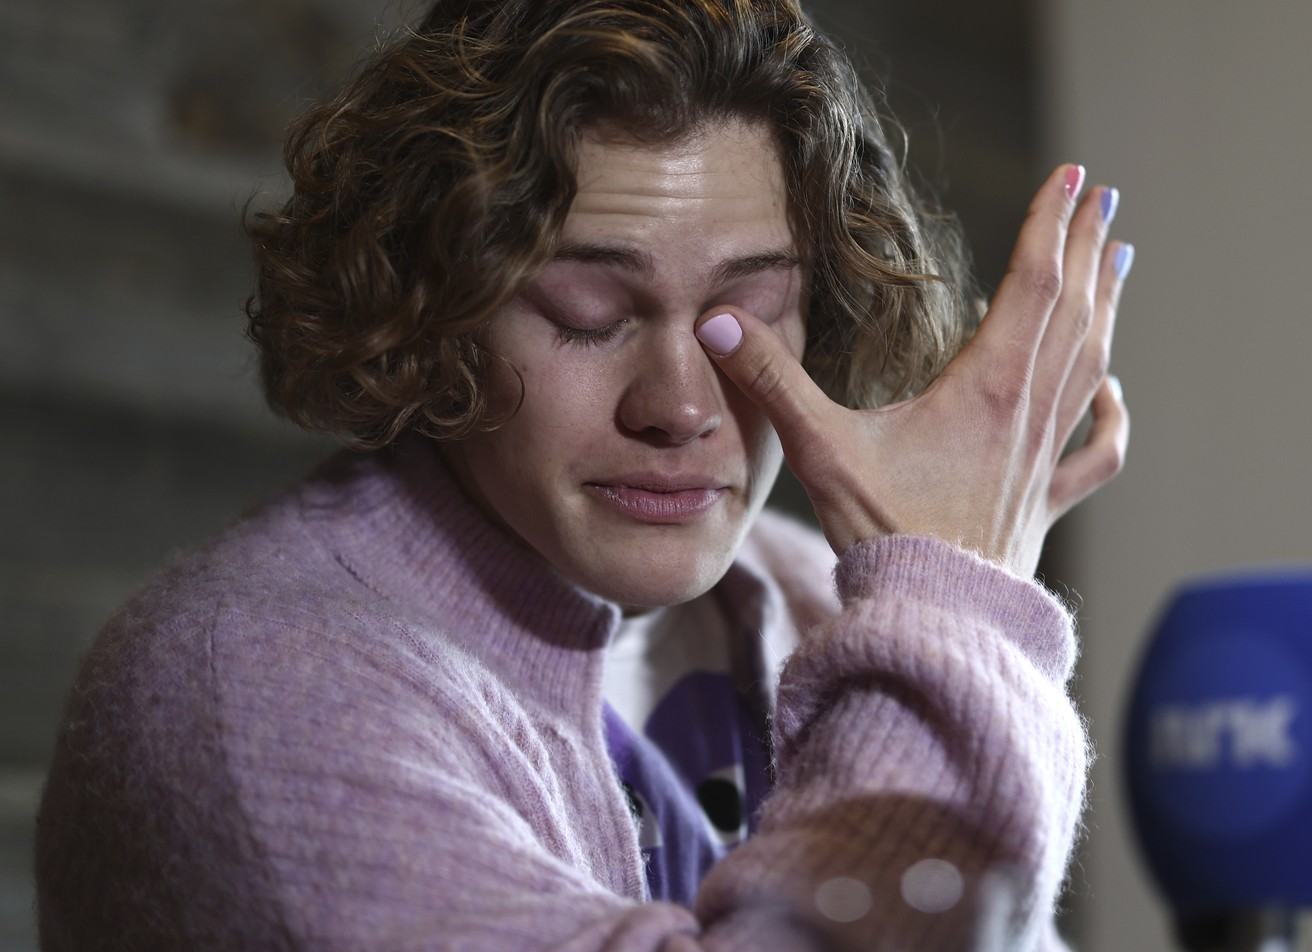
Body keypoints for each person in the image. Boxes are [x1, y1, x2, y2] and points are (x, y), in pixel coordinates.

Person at [33, 0, 1132, 948]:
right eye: (588, 313)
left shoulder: (819, 594)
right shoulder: (244, 701)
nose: (681, 406)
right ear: (439, 304)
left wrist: (942, 619)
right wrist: (956, 614)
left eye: (745, 318)